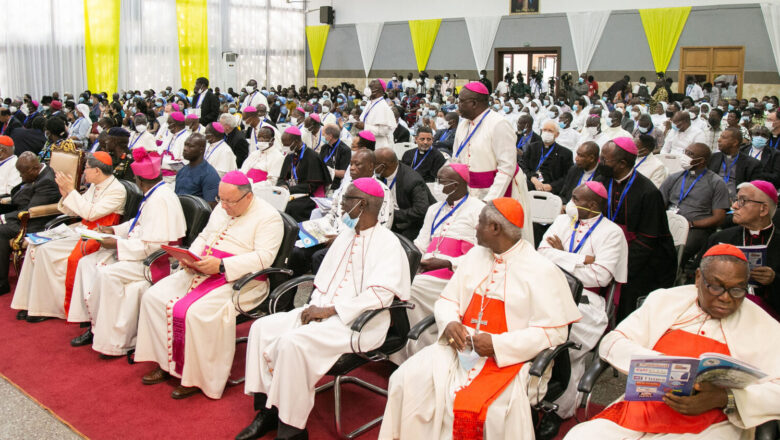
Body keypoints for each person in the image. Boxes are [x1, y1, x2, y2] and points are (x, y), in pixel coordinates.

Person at [379, 198, 581, 439]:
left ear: (495, 228)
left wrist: (497, 345)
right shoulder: (476, 255)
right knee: (405, 378)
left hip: (510, 360)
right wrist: (450, 323)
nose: (475, 227)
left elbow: (554, 332)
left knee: (492, 410)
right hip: (459, 349)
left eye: (480, 222)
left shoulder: (542, 270)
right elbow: (447, 300)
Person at [239, 178, 411, 440]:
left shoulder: (388, 244)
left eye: (346, 201)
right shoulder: (345, 235)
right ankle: (268, 410)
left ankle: (292, 429)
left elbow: (381, 295)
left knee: (292, 344)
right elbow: (325, 281)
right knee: (262, 327)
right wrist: (316, 308)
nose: (341, 206)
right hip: (320, 310)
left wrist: (331, 310)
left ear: (362, 205)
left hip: (358, 322)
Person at [565, 243, 780, 440]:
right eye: (716, 287)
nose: (726, 297)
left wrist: (724, 398)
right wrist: (659, 364)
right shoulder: (665, 300)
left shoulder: (763, 324)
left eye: (737, 289)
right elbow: (613, 341)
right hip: (643, 408)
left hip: (714, 422)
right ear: (698, 278)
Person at [135, 171, 283, 399]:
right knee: (153, 297)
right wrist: (190, 257)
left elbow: (264, 258)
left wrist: (222, 265)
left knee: (196, 313)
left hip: (241, 280)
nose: (223, 206)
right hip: (203, 267)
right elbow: (205, 235)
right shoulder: (223, 206)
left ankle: (195, 376)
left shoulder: (269, 217)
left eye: (229, 202)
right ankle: (165, 363)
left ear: (248, 197)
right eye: (220, 199)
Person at [65, 147, 187, 347]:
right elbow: (137, 224)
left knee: (106, 274)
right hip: (136, 248)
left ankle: (112, 340)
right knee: (87, 263)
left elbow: (155, 245)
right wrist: (113, 231)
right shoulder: (154, 193)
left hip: (155, 260)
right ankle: (92, 323)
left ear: (139, 181)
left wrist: (117, 243)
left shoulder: (161, 200)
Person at [537, 182, 628, 436]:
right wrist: (579, 259)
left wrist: (560, 256)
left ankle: (558, 410)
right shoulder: (563, 221)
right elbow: (540, 253)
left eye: (575, 198)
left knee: (566, 349)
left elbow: (599, 277)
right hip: (548, 289)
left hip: (587, 301)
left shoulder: (611, 233)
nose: (569, 201)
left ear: (593, 205)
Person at [11, 152, 126, 322]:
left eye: (86, 168)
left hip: (98, 235)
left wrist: (71, 191)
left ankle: (47, 308)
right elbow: (75, 210)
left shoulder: (117, 190)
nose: (84, 172)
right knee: (35, 245)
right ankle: (31, 302)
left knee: (46, 251)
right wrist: (65, 194)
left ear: (97, 171)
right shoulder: (96, 184)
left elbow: (90, 213)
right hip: (82, 229)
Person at [390, 163, 484, 364]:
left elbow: (481, 253)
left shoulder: (478, 209)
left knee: (409, 289)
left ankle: (420, 349)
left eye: (441, 182)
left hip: (456, 273)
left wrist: (447, 262)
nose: (437, 185)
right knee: (389, 280)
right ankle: (398, 347)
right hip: (426, 267)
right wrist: (407, 257)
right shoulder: (434, 209)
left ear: (457, 184)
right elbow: (421, 243)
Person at [601, 137, 677, 320]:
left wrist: (618, 265)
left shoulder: (648, 192)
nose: (600, 162)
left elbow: (648, 239)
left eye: (605, 159)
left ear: (622, 163)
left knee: (627, 295)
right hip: (608, 248)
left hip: (641, 259)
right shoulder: (603, 180)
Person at [452, 82, 534, 243]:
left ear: (474, 103)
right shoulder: (463, 125)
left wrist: (490, 200)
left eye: (461, 101)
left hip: (501, 188)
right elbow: (457, 158)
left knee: (503, 236)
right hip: (471, 188)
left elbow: (507, 167)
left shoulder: (498, 124)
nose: (458, 105)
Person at [702, 181, 780, 317]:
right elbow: (696, 275)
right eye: (736, 200)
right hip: (720, 309)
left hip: (767, 315)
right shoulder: (719, 238)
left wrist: (774, 280)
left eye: (742, 201)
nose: (734, 206)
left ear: (763, 209)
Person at [660, 142, 729, 268]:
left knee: (678, 249)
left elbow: (719, 218)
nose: (685, 156)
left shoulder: (716, 183)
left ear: (701, 161)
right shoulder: (674, 177)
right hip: (669, 221)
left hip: (696, 228)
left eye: (690, 154)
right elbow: (659, 204)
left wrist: (691, 224)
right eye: (685, 152)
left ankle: (673, 277)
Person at [0, 152, 60, 295]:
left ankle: (2, 283)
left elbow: (31, 212)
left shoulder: (47, 182)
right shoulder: (38, 173)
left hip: (36, 223)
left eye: (22, 174)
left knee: (1, 230)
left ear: (33, 170)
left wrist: (4, 217)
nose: (20, 177)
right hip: (21, 211)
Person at [375, 147, 436, 239]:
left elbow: (420, 210)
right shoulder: (382, 175)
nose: (370, 166)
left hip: (412, 224)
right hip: (388, 217)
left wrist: (391, 214)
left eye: (373, 164)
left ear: (383, 166)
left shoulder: (412, 181)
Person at [278, 126, 331, 222]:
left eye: (287, 144)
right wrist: (282, 186)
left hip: (309, 196)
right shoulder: (289, 155)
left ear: (297, 142)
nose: (285, 147)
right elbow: (281, 178)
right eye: (284, 144)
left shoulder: (312, 157)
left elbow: (312, 186)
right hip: (289, 192)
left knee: (291, 207)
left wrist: (289, 189)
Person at [708, 127, 761, 203]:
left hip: (735, 203)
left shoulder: (752, 164)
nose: (719, 140)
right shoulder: (713, 157)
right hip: (711, 198)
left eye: (723, 138)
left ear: (735, 142)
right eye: (720, 137)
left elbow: (753, 191)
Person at [522, 120, 573, 193]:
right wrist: (532, 177)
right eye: (544, 130)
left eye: (550, 131)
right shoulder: (532, 147)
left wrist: (552, 186)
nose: (547, 133)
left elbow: (567, 177)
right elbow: (523, 166)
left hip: (551, 191)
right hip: (529, 185)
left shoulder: (565, 153)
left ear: (557, 134)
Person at [174, 133, 220, 205]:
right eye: (185, 145)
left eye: (190, 146)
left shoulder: (209, 174)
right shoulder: (182, 171)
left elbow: (210, 207)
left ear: (201, 149)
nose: (185, 149)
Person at [354, 79, 397, 149]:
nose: (368, 89)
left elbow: (384, 130)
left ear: (379, 90)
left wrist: (365, 126)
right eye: (369, 86)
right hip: (366, 143)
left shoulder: (383, 107)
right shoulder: (369, 102)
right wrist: (358, 120)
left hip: (379, 146)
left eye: (371, 87)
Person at [159, 111, 188, 185]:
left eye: (169, 124)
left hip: (175, 178)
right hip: (162, 174)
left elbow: (185, 162)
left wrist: (165, 163)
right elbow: (161, 150)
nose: (167, 126)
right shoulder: (170, 134)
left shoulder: (186, 138)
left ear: (174, 125)